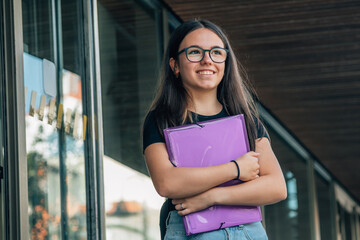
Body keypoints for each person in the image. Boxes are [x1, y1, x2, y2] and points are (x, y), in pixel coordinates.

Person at [142, 19, 287, 240]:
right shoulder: (162, 119)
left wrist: (211, 197)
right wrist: (236, 169)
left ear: (226, 62)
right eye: (194, 52)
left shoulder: (247, 121)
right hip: (190, 231)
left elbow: (276, 186)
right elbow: (166, 183)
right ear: (175, 65)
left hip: (247, 231)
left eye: (216, 52)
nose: (207, 60)